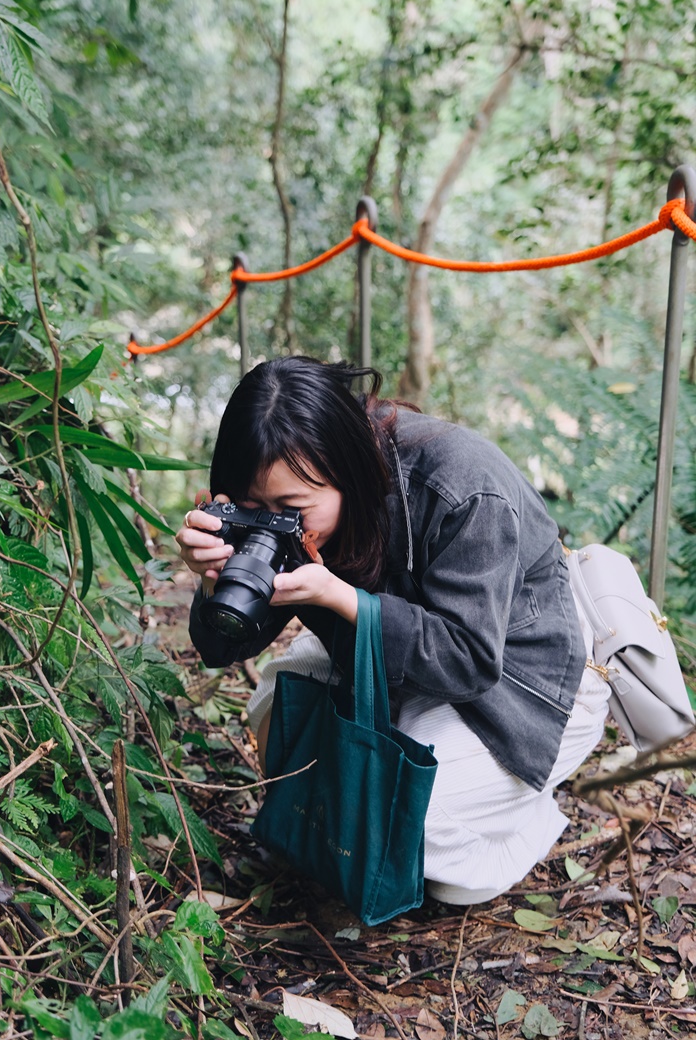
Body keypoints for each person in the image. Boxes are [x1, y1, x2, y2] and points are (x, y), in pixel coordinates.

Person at [176, 356, 610, 906]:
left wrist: (343, 599)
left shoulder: (463, 486)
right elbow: (220, 648)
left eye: (292, 509)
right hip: (397, 651)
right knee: (276, 707)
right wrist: (215, 581)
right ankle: (438, 782)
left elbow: (471, 660)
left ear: (348, 472)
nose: (275, 522)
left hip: (526, 673)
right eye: (253, 507)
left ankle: (524, 816)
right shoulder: (289, 499)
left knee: (414, 831)